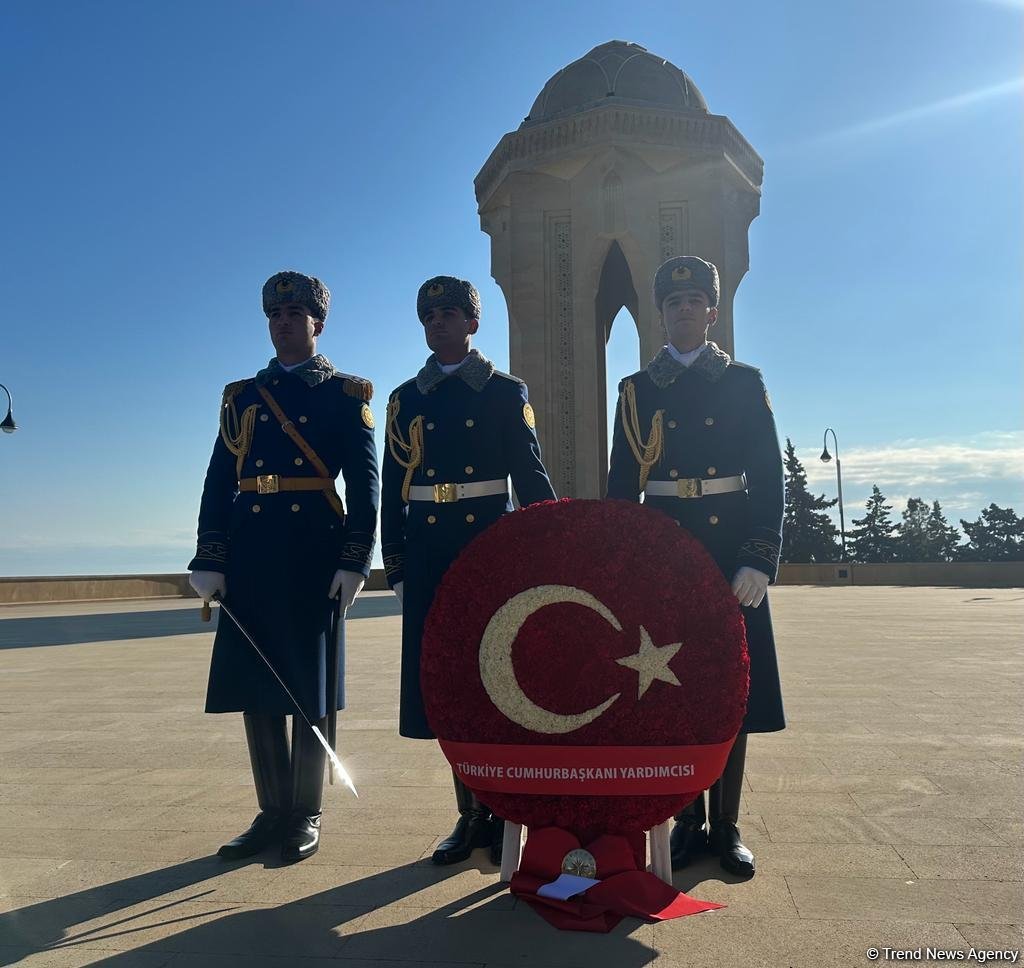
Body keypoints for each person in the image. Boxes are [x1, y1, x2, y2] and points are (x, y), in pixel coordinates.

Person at [188, 270, 379, 863]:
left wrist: (355, 559)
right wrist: (210, 554)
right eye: (275, 315)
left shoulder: (345, 395)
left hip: (312, 551)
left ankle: (306, 812)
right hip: (251, 552)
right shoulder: (242, 397)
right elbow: (220, 478)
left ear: (317, 323)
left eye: (295, 315)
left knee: (307, 687)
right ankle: (271, 811)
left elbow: (366, 484)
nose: (283, 324)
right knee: (259, 686)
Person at [606, 256, 785, 878]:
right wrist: (623, 567)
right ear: (660, 315)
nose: (684, 310)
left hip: (730, 546)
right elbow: (620, 485)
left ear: (712, 311)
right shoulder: (636, 390)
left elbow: (768, 474)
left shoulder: (742, 381)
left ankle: (727, 823)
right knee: (673, 688)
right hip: (664, 556)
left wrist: (761, 557)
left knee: (730, 691)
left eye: (695, 302)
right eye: (673, 302)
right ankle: (686, 820)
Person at [381, 275, 556, 865]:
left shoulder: (506, 392)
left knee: (497, 679)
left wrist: (554, 544)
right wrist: (398, 563)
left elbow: (529, 477)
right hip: (429, 553)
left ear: (472, 323)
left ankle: (505, 812)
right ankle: (468, 814)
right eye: (429, 316)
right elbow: (391, 494)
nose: (438, 324)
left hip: (489, 547)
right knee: (449, 685)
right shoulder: (406, 399)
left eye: (450, 314)